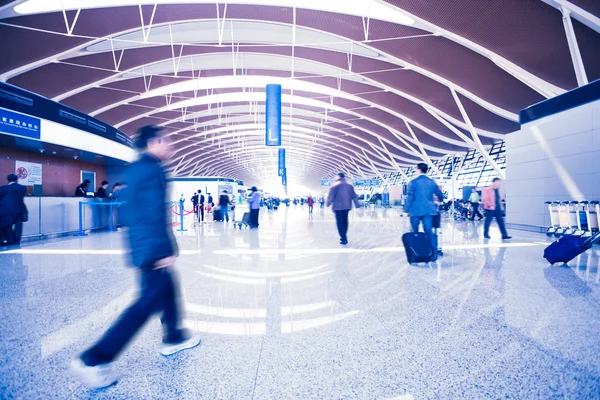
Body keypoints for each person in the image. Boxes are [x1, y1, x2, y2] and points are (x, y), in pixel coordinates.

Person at [70, 125, 201, 389]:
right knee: (144, 305)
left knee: (167, 287)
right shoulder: (152, 169)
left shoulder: (136, 169)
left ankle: (174, 336)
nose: (171, 147)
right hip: (151, 247)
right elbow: (153, 213)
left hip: (143, 244)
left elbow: (133, 213)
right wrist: (163, 251)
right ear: (155, 142)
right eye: (168, 142)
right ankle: (94, 359)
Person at [404, 163, 444, 261]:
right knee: (429, 231)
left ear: (418, 170)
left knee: (414, 232)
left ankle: (417, 253)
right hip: (429, 211)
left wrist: (406, 210)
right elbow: (439, 194)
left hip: (415, 211)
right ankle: (434, 254)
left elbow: (410, 197)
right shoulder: (432, 182)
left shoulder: (413, 182)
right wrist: (440, 200)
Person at [326, 173, 360, 245]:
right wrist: (357, 204)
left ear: (338, 177)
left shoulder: (335, 185)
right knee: (345, 221)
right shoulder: (349, 186)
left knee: (339, 223)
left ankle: (343, 238)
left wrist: (328, 203)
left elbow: (331, 196)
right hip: (347, 206)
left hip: (338, 207)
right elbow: (354, 196)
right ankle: (344, 236)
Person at [0, 174, 28, 246]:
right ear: (17, 179)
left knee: (7, 226)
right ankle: (17, 241)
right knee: (18, 226)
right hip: (20, 210)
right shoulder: (23, 188)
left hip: (7, 211)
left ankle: (10, 241)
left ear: (8, 180)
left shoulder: (4, 188)